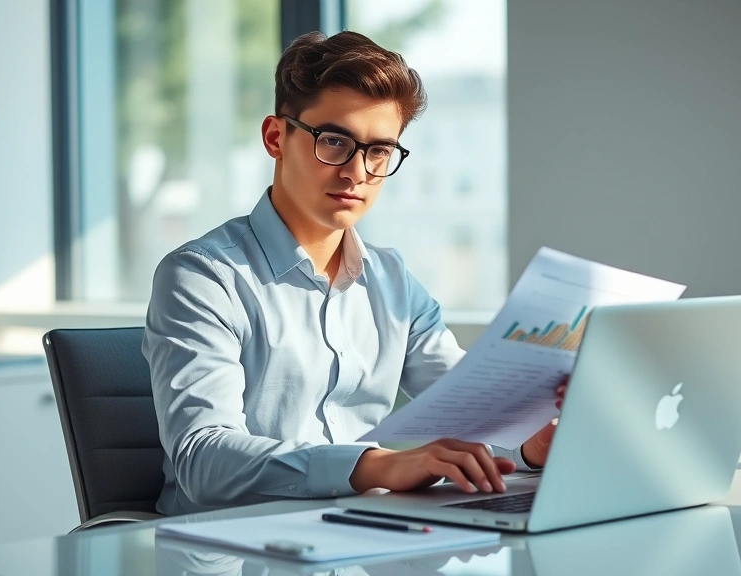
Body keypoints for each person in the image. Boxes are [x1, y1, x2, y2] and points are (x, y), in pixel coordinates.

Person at [143, 30, 565, 516]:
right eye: (334, 142)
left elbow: (471, 410)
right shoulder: (203, 277)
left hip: (361, 535)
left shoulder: (393, 281)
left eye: (379, 151)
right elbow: (203, 459)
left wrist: (533, 444)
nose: (356, 172)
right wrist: (376, 467)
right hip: (231, 549)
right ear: (275, 138)